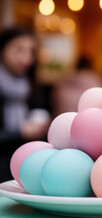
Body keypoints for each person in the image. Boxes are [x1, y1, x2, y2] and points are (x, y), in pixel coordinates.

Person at [0, 27, 49, 182]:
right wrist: (19, 132)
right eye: (18, 50)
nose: (26, 59)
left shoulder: (31, 86)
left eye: (31, 52)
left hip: (20, 170)